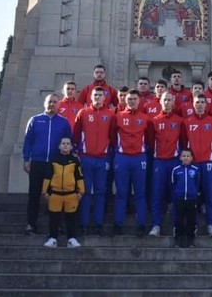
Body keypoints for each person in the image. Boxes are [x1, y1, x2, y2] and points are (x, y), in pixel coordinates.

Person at [22, 93, 72, 234]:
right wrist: (26, 159)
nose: (52, 104)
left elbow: (68, 141)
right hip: (37, 162)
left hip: (55, 164)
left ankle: (57, 226)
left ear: (59, 104)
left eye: (55, 102)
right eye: (49, 101)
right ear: (45, 103)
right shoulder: (35, 120)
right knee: (34, 194)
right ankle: (31, 224)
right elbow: (28, 141)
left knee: (56, 195)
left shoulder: (63, 122)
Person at [73, 87, 115, 235]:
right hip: (86, 157)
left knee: (100, 192)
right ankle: (83, 223)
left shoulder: (110, 114)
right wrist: (76, 152)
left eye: (100, 95)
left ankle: (99, 223)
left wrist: (109, 154)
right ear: (91, 97)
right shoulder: (83, 113)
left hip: (102, 159)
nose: (98, 97)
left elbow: (113, 137)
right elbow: (76, 135)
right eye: (95, 95)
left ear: (105, 98)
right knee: (84, 192)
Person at [111, 89, 152, 236]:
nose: (132, 101)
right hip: (122, 158)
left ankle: (141, 225)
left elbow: (150, 139)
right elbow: (112, 136)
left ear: (139, 100)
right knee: (121, 193)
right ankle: (117, 224)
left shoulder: (145, 118)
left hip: (139, 158)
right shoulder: (118, 117)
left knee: (140, 193)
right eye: (129, 99)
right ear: (125, 100)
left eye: (134, 99)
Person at [182, 93, 212, 237]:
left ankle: (211, 225)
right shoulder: (187, 122)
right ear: (193, 104)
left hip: (208, 163)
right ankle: (193, 225)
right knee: (192, 196)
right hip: (193, 164)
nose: (199, 105)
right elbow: (184, 141)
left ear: (206, 105)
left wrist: (211, 156)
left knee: (210, 195)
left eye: (202, 102)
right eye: (197, 102)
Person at [148, 93, 183, 236]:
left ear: (174, 102)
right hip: (159, 162)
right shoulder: (154, 121)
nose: (167, 103)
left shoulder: (180, 121)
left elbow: (183, 141)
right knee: (157, 194)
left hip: (174, 161)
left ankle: (176, 225)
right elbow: (150, 142)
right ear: (160, 102)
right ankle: (156, 225)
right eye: (164, 100)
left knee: (176, 194)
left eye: (169, 100)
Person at [42, 137, 85, 248]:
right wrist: (45, 191)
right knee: (54, 218)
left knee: (71, 218)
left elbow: (79, 176)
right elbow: (48, 175)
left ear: (71, 147)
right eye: (63, 143)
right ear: (59, 146)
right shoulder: (54, 160)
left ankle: (71, 238)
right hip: (55, 193)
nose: (65, 145)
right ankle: (52, 238)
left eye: (68, 143)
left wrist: (81, 191)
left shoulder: (75, 161)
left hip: (71, 194)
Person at [171, 148, 201, 248]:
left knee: (191, 220)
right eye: (183, 156)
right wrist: (176, 194)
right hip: (179, 199)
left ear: (191, 158)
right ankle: (177, 240)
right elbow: (173, 183)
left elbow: (197, 183)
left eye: (188, 156)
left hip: (191, 199)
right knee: (178, 220)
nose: (185, 158)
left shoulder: (195, 170)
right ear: (180, 157)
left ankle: (191, 240)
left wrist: (194, 194)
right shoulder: (176, 170)